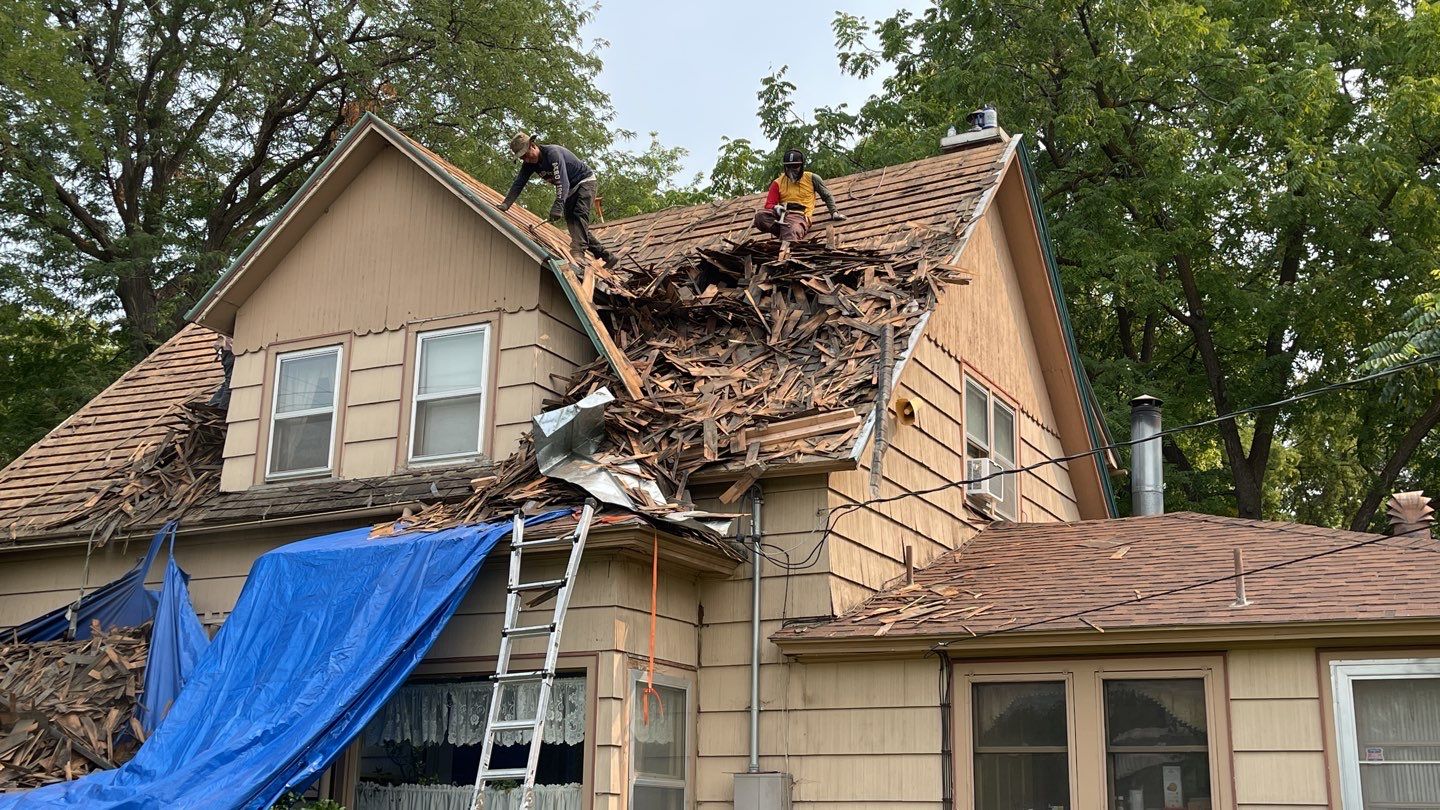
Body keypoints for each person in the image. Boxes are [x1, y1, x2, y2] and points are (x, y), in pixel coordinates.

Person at [498, 132, 618, 267]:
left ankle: (578, 253)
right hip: (570, 189)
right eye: (522, 158)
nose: (526, 159)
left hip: (585, 181)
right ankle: (607, 256)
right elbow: (519, 183)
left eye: (526, 155)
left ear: (532, 146)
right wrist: (506, 203)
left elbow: (563, 182)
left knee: (579, 215)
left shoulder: (552, 154)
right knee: (573, 224)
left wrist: (558, 205)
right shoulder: (529, 164)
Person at [751, 149, 847, 242]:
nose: (792, 170)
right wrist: (776, 208)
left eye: (795, 166)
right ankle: (785, 232)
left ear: (802, 166)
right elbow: (769, 204)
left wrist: (834, 213)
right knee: (760, 217)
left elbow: (827, 196)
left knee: (792, 230)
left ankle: (789, 235)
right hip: (782, 215)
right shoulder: (777, 182)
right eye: (789, 167)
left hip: (800, 216)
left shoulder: (812, 178)